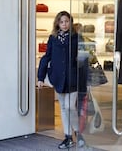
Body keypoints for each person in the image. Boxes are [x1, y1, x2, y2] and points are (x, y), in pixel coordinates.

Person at [37, 11, 86, 149]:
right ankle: (68, 137)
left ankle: (79, 134)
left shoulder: (77, 38)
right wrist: (40, 77)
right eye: (62, 22)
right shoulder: (53, 38)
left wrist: (84, 79)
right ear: (58, 23)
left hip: (72, 78)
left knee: (70, 106)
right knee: (64, 108)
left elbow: (84, 59)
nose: (64, 24)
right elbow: (47, 57)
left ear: (71, 22)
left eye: (67, 21)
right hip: (58, 78)